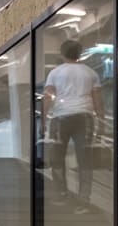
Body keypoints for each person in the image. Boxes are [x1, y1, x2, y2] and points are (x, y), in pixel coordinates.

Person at [42, 39, 104, 211]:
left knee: (57, 159)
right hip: (85, 117)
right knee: (85, 160)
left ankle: (61, 195)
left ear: (62, 54)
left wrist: (43, 120)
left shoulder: (55, 73)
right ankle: (84, 201)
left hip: (60, 118)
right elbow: (98, 100)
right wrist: (101, 122)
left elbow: (48, 97)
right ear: (79, 53)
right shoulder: (91, 73)